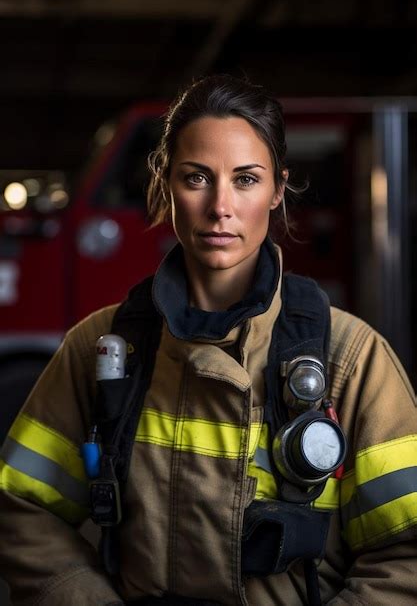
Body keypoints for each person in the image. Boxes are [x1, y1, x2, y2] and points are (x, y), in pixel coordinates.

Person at [0, 74, 416, 606]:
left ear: (277, 189)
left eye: (246, 180)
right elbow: (23, 509)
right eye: (197, 177)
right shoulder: (100, 349)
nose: (221, 206)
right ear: (165, 181)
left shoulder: (352, 361)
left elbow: (406, 556)